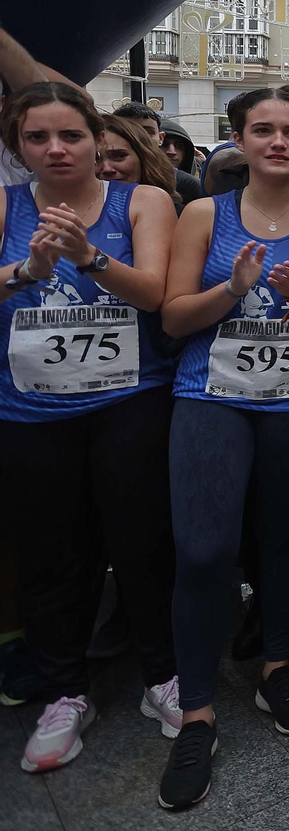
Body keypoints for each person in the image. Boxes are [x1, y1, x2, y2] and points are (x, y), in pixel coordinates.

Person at [155, 86, 289, 809]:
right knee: (205, 548)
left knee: (283, 541)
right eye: (262, 130)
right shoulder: (203, 213)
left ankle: (276, 668)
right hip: (211, 399)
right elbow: (174, 318)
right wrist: (233, 290)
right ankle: (197, 712)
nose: (278, 141)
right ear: (237, 139)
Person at [0, 83, 181, 774]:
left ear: (94, 139)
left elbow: (156, 293)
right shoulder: (9, 205)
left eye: (69, 136)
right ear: (19, 147)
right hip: (30, 411)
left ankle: (160, 674)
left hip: (127, 403)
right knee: (51, 556)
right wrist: (29, 268)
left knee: (141, 543)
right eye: (37, 138)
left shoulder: (142, 201)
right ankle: (64, 693)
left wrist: (88, 258)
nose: (55, 150)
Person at [111, 105, 205, 206]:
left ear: (160, 138)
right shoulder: (101, 176)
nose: (138, 139)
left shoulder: (188, 185)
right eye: (128, 133)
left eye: (147, 132)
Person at [99, 111, 179, 208]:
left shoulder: (178, 214)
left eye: (119, 156)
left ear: (144, 157)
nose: (107, 168)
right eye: (96, 158)